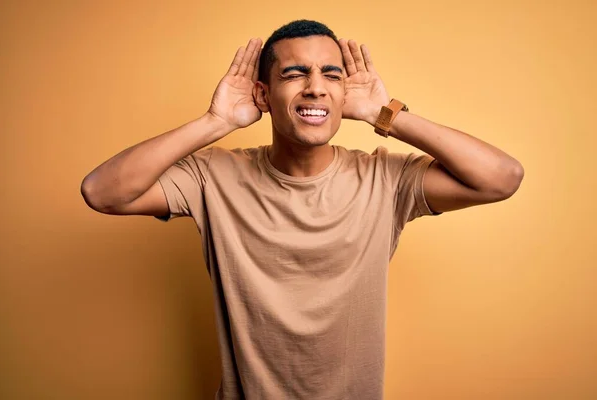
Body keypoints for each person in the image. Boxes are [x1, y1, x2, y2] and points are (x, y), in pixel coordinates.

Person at [81, 20, 524, 400]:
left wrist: (383, 113)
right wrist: (215, 122)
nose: (315, 86)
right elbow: (103, 192)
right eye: (295, 73)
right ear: (264, 93)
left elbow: (501, 177)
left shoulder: (385, 180)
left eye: (331, 75)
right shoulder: (211, 177)